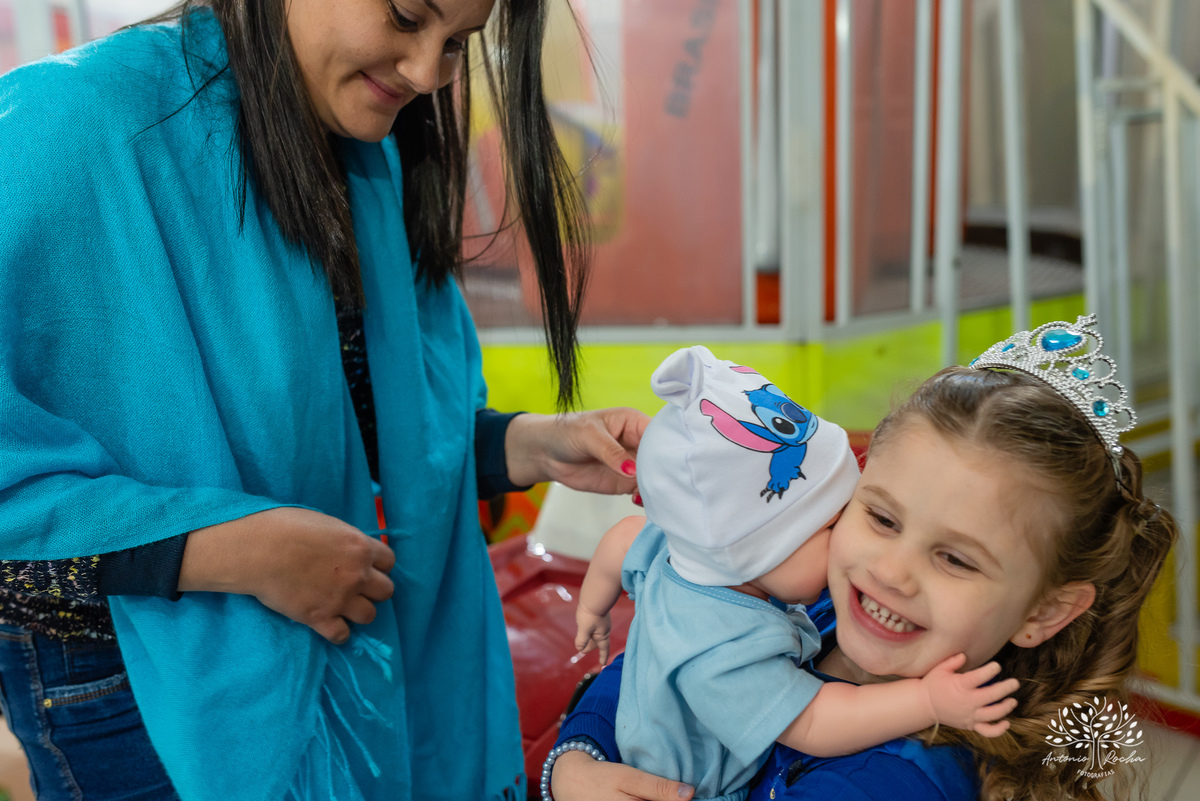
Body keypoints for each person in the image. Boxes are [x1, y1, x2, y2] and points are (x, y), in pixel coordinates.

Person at [0, 1, 648, 799]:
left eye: (457, 44)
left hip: (320, 650)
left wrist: (527, 446)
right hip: (133, 687)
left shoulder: (353, 140)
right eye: (408, 16)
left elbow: (359, 419)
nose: (425, 73)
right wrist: (241, 550)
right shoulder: (62, 126)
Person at [548, 316, 1178, 801]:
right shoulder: (820, 607)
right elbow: (663, 658)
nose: (890, 572)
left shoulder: (890, 781)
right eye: (880, 518)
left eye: (956, 559)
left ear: (1045, 609)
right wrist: (576, 763)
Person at [571, 346, 1019, 801]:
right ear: (754, 553)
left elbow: (621, 541)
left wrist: (593, 608)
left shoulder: (683, 552)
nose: (884, 569)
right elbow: (816, 721)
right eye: (832, 523)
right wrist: (927, 702)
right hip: (690, 787)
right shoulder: (725, 653)